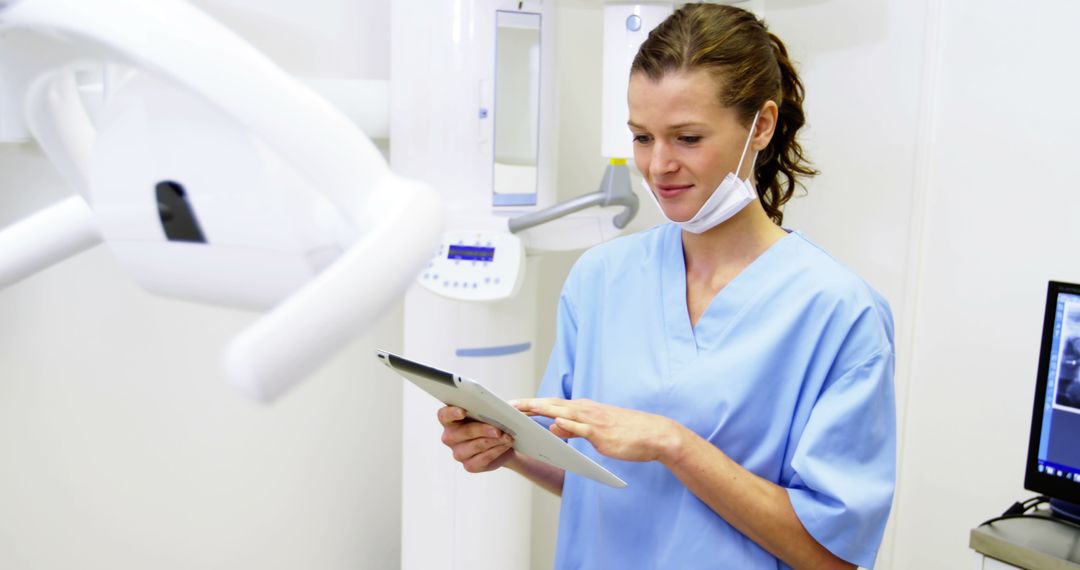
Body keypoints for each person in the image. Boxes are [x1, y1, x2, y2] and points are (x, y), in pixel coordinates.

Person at [437, 4, 896, 569]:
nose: (658, 166)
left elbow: (834, 557)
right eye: (642, 137)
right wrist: (506, 449)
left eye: (687, 137)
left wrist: (675, 446)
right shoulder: (600, 279)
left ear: (763, 125)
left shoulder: (838, 312)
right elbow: (594, 477)